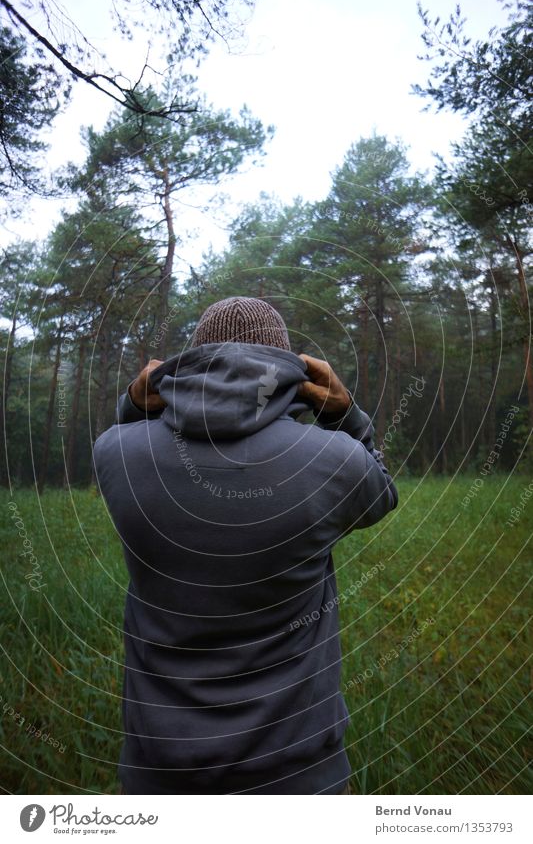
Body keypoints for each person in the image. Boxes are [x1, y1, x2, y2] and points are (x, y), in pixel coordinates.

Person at [93, 296, 398, 795]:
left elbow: (121, 432)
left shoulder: (117, 452)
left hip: (159, 773)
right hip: (299, 778)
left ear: (190, 363)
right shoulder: (331, 459)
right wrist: (347, 415)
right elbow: (382, 493)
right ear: (290, 373)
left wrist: (133, 399)